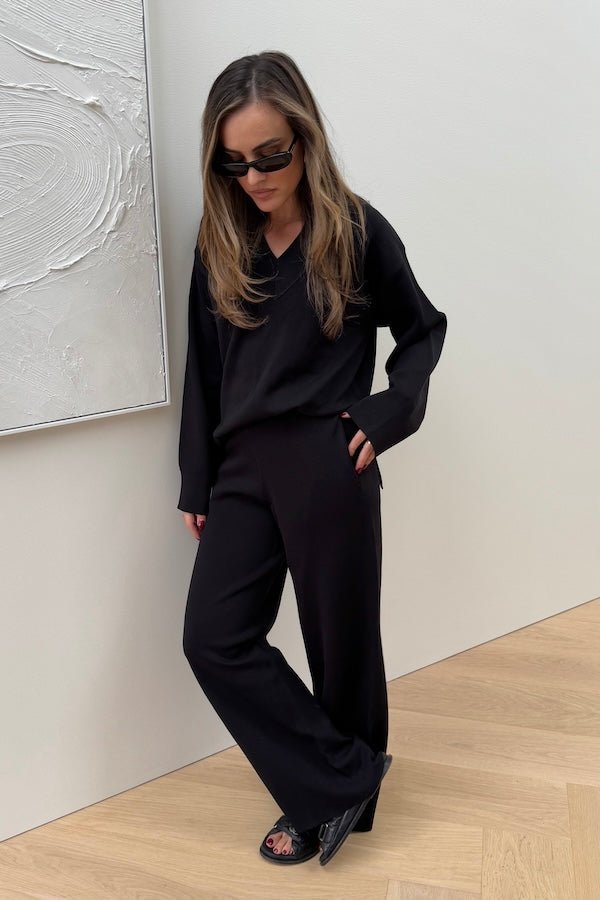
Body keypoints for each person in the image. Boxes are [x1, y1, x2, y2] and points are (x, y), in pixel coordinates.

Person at [177, 50, 447, 867]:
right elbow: (205, 371)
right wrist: (197, 480)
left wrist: (391, 410)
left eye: (270, 156)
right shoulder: (220, 242)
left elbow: (423, 329)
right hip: (242, 467)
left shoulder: (357, 231)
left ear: (306, 139)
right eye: (234, 162)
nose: (254, 177)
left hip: (330, 457)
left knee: (341, 643)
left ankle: (339, 810)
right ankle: (339, 780)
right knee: (214, 638)